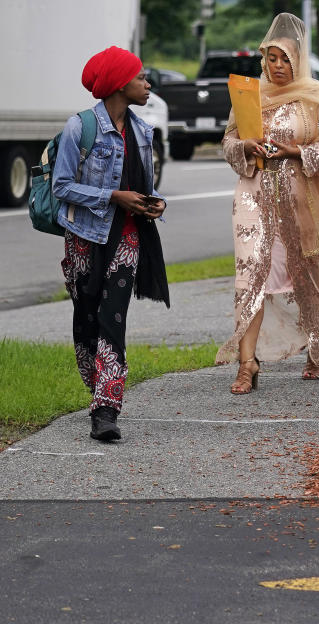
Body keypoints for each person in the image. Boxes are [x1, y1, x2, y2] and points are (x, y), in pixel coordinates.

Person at [215, 13, 319, 394]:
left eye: (285, 59)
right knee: (250, 274)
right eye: (271, 58)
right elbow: (228, 141)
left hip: (300, 199)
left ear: (299, 59)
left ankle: (318, 348)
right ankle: (247, 364)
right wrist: (244, 145)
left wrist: (296, 152)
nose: (277, 66)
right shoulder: (249, 93)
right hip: (253, 195)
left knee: (308, 272)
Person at [53, 46, 170, 441]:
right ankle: (97, 384)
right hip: (84, 236)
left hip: (127, 236)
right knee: (86, 318)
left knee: (112, 318)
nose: (147, 82)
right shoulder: (79, 127)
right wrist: (112, 197)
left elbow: (143, 186)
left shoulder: (143, 130)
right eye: (140, 77)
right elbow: (61, 186)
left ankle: (106, 409)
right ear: (120, 85)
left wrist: (154, 204)